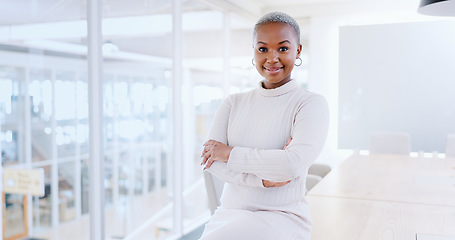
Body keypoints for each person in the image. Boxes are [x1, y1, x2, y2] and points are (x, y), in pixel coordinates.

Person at [199, 12, 329, 240]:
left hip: (281, 216)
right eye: (263, 49)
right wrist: (263, 180)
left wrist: (229, 153)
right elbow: (212, 163)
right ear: (253, 51)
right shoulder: (232, 103)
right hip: (228, 213)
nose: (272, 58)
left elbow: (291, 165)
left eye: (282, 48)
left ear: (297, 51)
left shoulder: (310, 104)